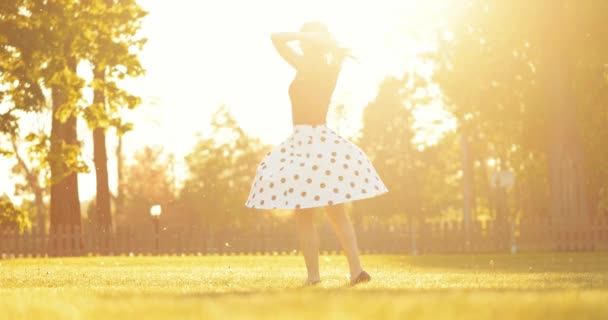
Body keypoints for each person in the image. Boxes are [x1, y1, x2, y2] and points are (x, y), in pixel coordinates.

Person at [245, 21, 388, 286]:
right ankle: (326, 275)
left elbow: (279, 39)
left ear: (315, 41)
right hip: (304, 141)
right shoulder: (309, 64)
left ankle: (350, 272)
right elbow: (275, 37)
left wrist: (311, 37)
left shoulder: (324, 65)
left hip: (316, 141)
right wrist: (307, 35)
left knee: (328, 213)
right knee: (312, 213)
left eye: (307, 38)